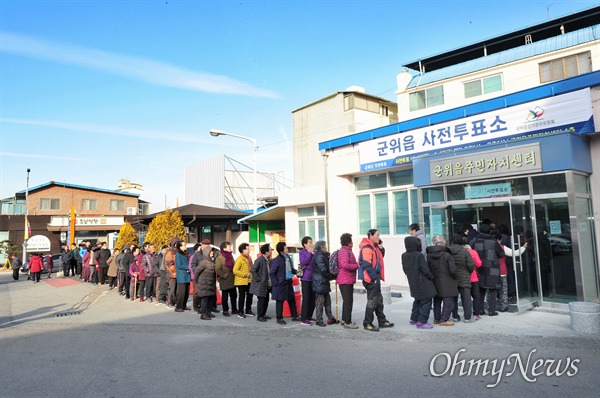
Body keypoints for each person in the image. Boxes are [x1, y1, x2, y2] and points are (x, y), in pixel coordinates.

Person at [358, 229, 394, 332]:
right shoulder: (367, 248)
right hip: (370, 277)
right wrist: (374, 278)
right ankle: (367, 323)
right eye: (377, 235)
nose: (379, 237)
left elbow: (380, 257)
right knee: (373, 300)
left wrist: (381, 247)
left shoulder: (374, 246)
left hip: (374, 276)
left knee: (379, 299)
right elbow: (367, 264)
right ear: (370, 235)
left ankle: (382, 320)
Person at [402, 236, 436, 329]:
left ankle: (414, 318)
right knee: (427, 300)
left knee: (417, 300)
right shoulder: (418, 255)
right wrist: (431, 276)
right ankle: (422, 321)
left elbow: (405, 270)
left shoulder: (404, 255)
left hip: (412, 281)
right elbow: (425, 269)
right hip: (422, 281)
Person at [472, 223, 505, 316]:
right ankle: (491, 310)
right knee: (493, 290)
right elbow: (501, 254)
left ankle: (481, 309)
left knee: (481, 289)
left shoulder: (475, 240)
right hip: (492, 268)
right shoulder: (493, 241)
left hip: (479, 268)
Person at [427, 235, 458, 326]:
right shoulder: (447, 255)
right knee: (448, 301)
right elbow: (453, 269)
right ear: (443, 243)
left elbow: (428, 268)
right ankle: (444, 320)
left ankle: (437, 318)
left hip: (435, 280)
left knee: (437, 300)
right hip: (447, 280)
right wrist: (456, 277)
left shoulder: (429, 255)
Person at [495, 231, 527, 312]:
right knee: (503, 290)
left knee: (491, 290)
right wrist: (523, 247)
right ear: (500, 240)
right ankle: (504, 306)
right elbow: (515, 253)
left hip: (490, 272)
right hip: (502, 271)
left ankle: (490, 307)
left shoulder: (487, 247)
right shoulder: (502, 247)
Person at [270, 242, 301, 325]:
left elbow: (290, 269)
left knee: (291, 299)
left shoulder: (287, 258)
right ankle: (279, 318)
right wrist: (276, 283)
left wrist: (297, 272)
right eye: (286, 248)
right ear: (281, 251)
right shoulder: (277, 260)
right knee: (280, 301)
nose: (287, 249)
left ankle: (294, 316)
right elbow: (272, 273)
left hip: (288, 282)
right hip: (280, 284)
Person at [449, 235, 475, 323]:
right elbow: (471, 265)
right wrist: (468, 272)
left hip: (452, 278)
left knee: (453, 298)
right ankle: (467, 317)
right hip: (464, 277)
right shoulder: (465, 252)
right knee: (466, 298)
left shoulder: (448, 251)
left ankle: (455, 316)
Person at [336, 233, 359, 329]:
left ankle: (344, 319)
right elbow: (345, 264)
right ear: (348, 242)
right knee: (348, 301)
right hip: (345, 279)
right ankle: (347, 321)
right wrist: (357, 265)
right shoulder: (344, 251)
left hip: (347, 279)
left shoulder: (346, 250)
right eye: (351, 240)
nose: (352, 242)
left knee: (347, 300)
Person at [312, 240, 336, 327]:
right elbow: (323, 269)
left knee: (327, 302)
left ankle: (330, 317)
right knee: (320, 302)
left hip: (323, 282)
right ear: (322, 248)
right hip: (320, 282)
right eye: (325, 246)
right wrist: (332, 276)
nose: (327, 248)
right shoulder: (319, 257)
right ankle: (319, 319)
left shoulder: (323, 256)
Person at [250, 244, 272, 322]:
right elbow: (253, 270)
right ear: (266, 251)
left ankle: (263, 314)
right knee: (261, 301)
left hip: (267, 284)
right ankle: (260, 316)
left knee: (266, 300)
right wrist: (259, 279)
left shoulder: (268, 259)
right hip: (261, 284)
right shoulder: (260, 260)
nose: (271, 250)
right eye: (270, 249)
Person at [215, 241, 237, 317]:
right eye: (228, 247)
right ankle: (225, 310)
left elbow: (234, 266)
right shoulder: (219, 258)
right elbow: (217, 269)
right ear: (224, 248)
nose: (230, 248)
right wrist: (223, 275)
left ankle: (234, 309)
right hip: (224, 280)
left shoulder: (231, 256)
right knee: (225, 297)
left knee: (234, 296)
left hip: (232, 278)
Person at [195, 245, 217, 320]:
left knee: (210, 299)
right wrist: (196, 282)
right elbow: (197, 272)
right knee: (204, 300)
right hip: (204, 284)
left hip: (210, 283)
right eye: (211, 251)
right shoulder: (203, 262)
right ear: (207, 252)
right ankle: (203, 314)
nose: (212, 252)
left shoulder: (211, 261)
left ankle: (208, 312)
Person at [233, 243, 254, 318]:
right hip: (241, 281)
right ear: (243, 250)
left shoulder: (249, 258)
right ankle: (240, 311)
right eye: (247, 249)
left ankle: (248, 310)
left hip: (249, 280)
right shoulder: (239, 259)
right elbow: (235, 270)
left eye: (248, 248)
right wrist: (244, 274)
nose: (249, 250)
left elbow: (252, 268)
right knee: (242, 296)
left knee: (250, 296)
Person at [464, 238, 483, 319]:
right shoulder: (473, 252)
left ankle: (465, 314)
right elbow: (478, 264)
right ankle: (476, 314)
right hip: (473, 277)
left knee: (465, 297)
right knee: (476, 296)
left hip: (462, 278)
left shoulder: (457, 252)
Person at [299, 236, 315, 325]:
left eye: (312, 242)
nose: (311, 244)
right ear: (305, 244)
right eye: (310, 242)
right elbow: (303, 262)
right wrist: (309, 253)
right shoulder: (302, 252)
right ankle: (303, 318)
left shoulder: (314, 252)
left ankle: (309, 316)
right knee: (306, 298)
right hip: (305, 278)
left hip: (313, 278)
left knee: (312, 298)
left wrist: (313, 253)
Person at [174, 240, 191, 312]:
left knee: (187, 291)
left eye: (185, 245)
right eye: (183, 245)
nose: (185, 246)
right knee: (182, 292)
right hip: (181, 275)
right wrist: (188, 267)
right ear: (180, 247)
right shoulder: (178, 254)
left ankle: (184, 305)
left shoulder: (185, 254)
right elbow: (179, 265)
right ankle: (178, 306)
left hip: (187, 275)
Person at [164, 238, 180, 308]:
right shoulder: (170, 252)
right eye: (176, 243)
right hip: (172, 274)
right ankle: (170, 301)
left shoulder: (178, 251)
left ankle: (176, 301)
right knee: (172, 288)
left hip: (178, 273)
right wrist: (175, 271)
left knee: (177, 289)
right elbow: (170, 264)